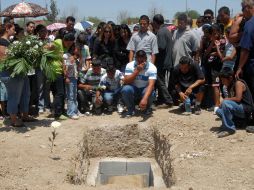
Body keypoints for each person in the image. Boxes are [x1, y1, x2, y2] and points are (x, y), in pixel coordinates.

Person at [0, 23, 36, 127]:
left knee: (26, 93)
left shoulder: (8, 41)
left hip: (19, 72)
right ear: (7, 29)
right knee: (13, 96)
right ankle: (13, 120)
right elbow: (4, 59)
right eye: (13, 29)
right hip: (10, 73)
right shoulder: (2, 42)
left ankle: (25, 115)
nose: (15, 32)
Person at [216, 68, 254, 137]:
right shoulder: (229, 86)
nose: (222, 82)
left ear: (230, 78)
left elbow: (238, 98)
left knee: (225, 103)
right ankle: (238, 123)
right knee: (218, 111)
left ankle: (229, 129)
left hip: (245, 110)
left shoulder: (238, 83)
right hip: (239, 109)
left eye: (223, 80)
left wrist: (225, 100)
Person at [121, 50, 157, 117]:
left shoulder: (152, 67)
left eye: (142, 61)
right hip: (134, 88)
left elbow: (151, 85)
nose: (140, 62)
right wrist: (136, 71)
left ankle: (146, 109)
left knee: (151, 92)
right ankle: (131, 110)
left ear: (146, 59)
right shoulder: (130, 65)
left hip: (144, 89)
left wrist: (145, 99)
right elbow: (126, 81)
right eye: (138, 60)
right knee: (125, 89)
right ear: (135, 59)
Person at [152, 14, 174, 107]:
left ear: (155, 22)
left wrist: (153, 49)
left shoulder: (161, 32)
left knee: (160, 81)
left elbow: (161, 46)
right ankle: (161, 99)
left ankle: (168, 100)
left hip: (162, 61)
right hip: (166, 60)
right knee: (161, 81)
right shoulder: (166, 30)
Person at [63, 53, 79, 119]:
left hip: (74, 78)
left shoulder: (75, 60)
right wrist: (66, 77)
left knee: (74, 95)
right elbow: (64, 69)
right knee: (70, 96)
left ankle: (75, 111)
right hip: (70, 78)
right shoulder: (68, 59)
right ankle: (70, 113)